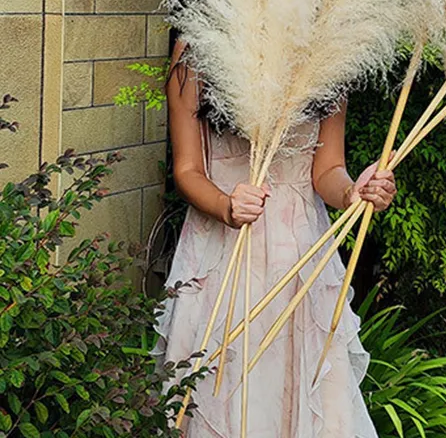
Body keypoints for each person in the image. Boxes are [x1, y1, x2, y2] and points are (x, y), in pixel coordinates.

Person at [156, 40, 397, 437]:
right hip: (223, 251)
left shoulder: (328, 41)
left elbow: (328, 170)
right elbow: (187, 170)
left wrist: (355, 192)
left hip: (300, 255)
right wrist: (226, 206)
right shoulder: (200, 43)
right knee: (218, 390)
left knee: (301, 393)